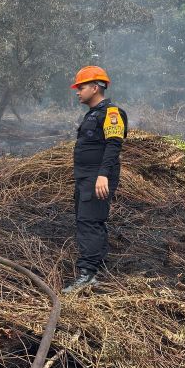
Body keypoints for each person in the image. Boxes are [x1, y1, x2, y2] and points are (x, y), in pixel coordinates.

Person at [62, 65, 128, 293]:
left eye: (81, 87)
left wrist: (102, 176)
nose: (77, 92)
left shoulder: (112, 113)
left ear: (95, 87)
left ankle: (87, 275)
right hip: (85, 178)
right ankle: (95, 268)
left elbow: (113, 146)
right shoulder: (92, 114)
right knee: (87, 221)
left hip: (96, 178)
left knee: (90, 222)